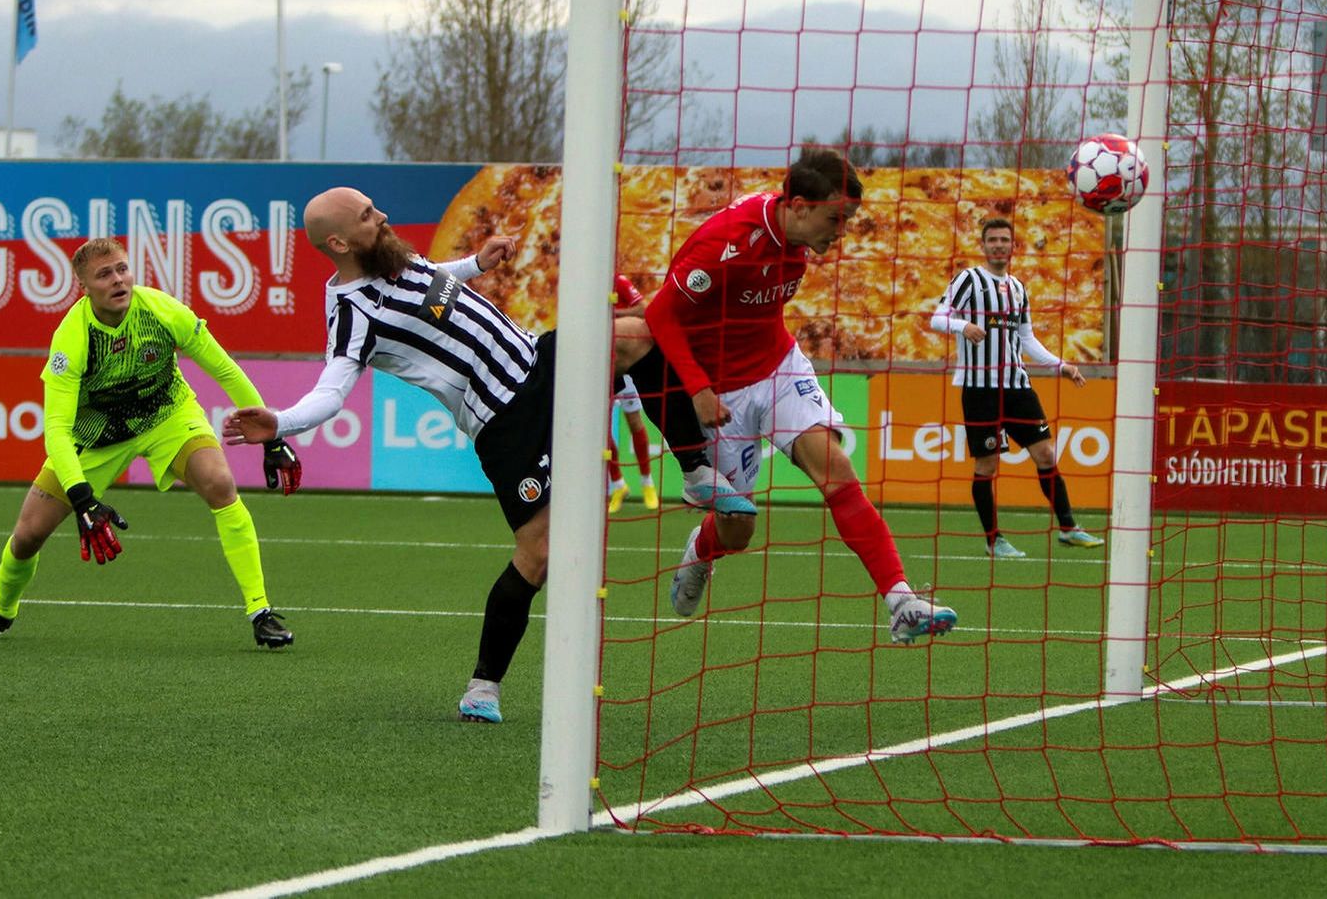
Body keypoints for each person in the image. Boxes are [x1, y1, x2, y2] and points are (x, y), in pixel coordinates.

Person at [221, 187, 739, 724]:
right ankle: (483, 687)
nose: (384, 215)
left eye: (376, 205)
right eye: (369, 216)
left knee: (638, 334)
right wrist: (280, 421)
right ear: (340, 241)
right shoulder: (351, 314)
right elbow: (331, 391)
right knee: (538, 553)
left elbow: (433, 281)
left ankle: (697, 472)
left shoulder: (396, 256)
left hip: (537, 359)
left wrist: (474, 264)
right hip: (505, 418)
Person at [642, 149, 958, 644]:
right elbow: (661, 315)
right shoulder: (726, 242)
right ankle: (701, 551)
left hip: (778, 370)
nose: (841, 231)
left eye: (848, 219)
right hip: (718, 392)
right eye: (837, 218)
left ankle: (901, 602)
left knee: (836, 472)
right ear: (801, 205)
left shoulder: (799, 238)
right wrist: (698, 390)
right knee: (737, 532)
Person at [0, 237, 301, 648]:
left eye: (122, 268)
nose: (118, 280)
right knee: (28, 535)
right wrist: (83, 499)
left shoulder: (162, 309)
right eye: (105, 274)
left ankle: (260, 612)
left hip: (167, 418)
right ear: (83, 287)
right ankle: (2, 611)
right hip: (96, 439)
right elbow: (57, 430)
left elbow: (225, 371)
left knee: (220, 484)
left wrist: (271, 435)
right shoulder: (71, 338)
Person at [929, 216, 1104, 559]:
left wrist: (1061, 366)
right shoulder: (969, 280)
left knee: (1046, 453)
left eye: (1004, 240)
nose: (998, 245)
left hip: (1017, 387)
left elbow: (1026, 338)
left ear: (1013, 246)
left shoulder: (1019, 288)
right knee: (988, 466)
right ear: (983, 246)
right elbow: (937, 317)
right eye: (992, 240)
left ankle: (1069, 529)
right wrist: (963, 326)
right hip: (980, 389)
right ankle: (994, 540)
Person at [607, 274, 659, 513]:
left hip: (625, 361)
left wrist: (612, 315)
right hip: (600, 365)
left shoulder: (619, 281)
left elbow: (642, 309)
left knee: (634, 421)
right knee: (600, 430)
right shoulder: (584, 286)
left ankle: (647, 483)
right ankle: (618, 484)